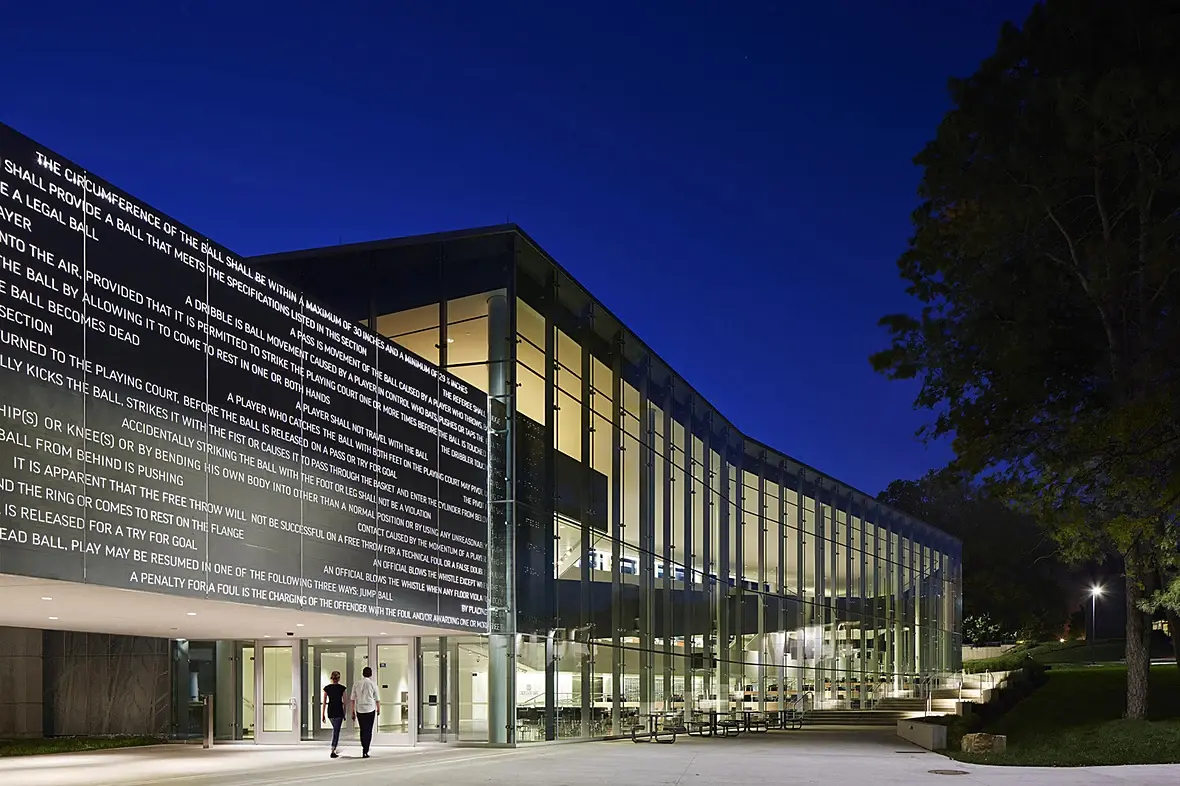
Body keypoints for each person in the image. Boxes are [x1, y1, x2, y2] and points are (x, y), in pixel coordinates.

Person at [351, 665, 380, 758]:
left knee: (362, 729)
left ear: (362, 673)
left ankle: (364, 746)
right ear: (370, 674)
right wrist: (378, 709)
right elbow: (377, 698)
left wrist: (352, 711)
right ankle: (366, 750)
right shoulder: (373, 684)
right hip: (370, 709)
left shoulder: (356, 684)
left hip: (360, 709)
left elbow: (352, 699)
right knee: (369, 730)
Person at [321, 671, 347, 759]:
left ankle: (334, 747)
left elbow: (324, 702)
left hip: (331, 710)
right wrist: (344, 712)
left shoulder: (327, 688)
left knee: (336, 729)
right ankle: (333, 748)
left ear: (331, 678)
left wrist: (323, 714)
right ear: (338, 679)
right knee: (336, 730)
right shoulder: (342, 688)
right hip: (339, 710)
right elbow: (345, 702)